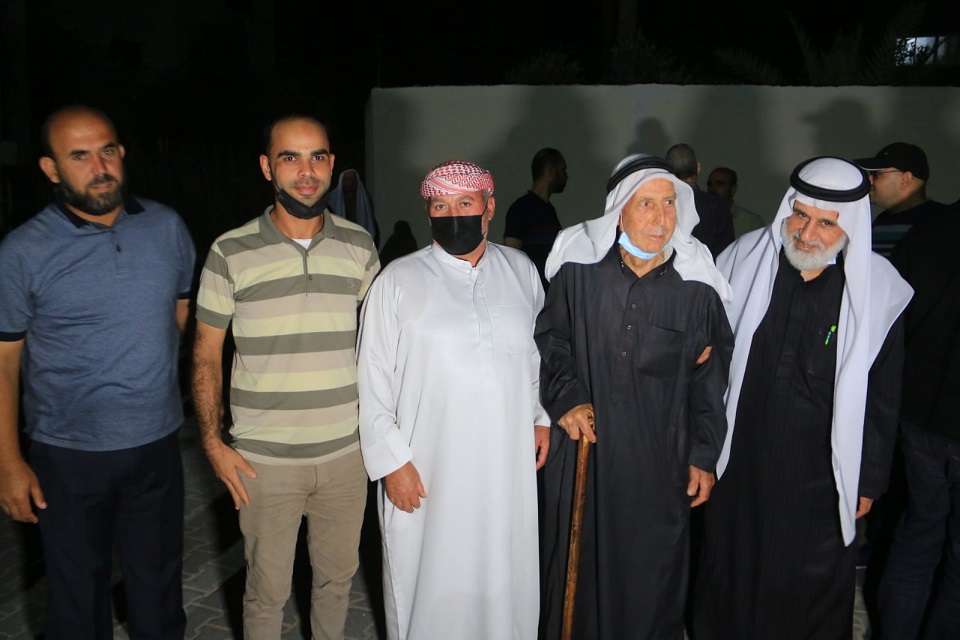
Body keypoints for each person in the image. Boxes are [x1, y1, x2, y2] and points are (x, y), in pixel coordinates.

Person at [692, 156, 913, 640]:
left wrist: (868, 479)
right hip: (739, 465)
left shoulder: (880, 290)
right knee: (730, 576)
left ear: (850, 225)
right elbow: (708, 370)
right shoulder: (742, 261)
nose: (807, 233)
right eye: (800, 215)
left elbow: (883, 396)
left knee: (806, 591)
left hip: (820, 473)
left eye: (826, 223)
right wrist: (701, 451)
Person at [0, 105, 195, 639]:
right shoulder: (22, 252)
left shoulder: (166, 227)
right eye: (79, 156)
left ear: (122, 153)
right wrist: (9, 462)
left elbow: (179, 314)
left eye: (107, 151)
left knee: (159, 593)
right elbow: (5, 362)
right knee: (77, 604)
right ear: (50, 168)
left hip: (156, 446)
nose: (99, 167)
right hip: (68, 456)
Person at [192, 114, 379, 639]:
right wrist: (213, 443)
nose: (306, 171)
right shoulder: (230, 252)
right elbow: (206, 354)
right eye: (290, 157)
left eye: (317, 156)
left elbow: (382, 345)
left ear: (332, 165)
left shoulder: (361, 246)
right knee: (266, 593)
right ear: (266, 167)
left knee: (337, 583)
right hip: (264, 462)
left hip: (346, 455)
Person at [536, 153, 735, 639]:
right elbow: (552, 339)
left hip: (660, 464)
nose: (660, 217)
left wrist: (704, 454)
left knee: (652, 579)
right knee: (576, 576)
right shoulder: (579, 273)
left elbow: (710, 381)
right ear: (619, 210)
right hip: (584, 454)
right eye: (646, 204)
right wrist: (567, 397)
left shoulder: (698, 290)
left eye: (669, 203)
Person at [357, 159, 550, 640]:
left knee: (505, 571)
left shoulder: (521, 271)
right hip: (427, 468)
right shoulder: (398, 280)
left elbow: (539, 356)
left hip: (505, 467)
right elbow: (372, 377)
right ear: (428, 213)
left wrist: (541, 417)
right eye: (440, 206)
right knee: (430, 578)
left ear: (489, 207)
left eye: (464, 202)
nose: (453, 214)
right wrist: (391, 463)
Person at [876, 204, 960, 639]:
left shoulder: (931, 230)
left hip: (920, 410)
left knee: (918, 533)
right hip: (930, 414)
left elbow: (891, 313)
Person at [854, 142, 950, 258]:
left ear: (905, 180)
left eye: (877, 174)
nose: (869, 180)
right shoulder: (881, 221)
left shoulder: (944, 222)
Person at [503, 147, 567, 289]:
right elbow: (511, 256)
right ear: (552, 171)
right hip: (531, 294)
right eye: (563, 169)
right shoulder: (522, 208)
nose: (566, 176)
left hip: (548, 294)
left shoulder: (548, 210)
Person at [664, 143, 735, 258]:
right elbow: (726, 254)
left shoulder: (660, 205)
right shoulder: (718, 206)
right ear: (698, 167)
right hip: (709, 268)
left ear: (667, 172)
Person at [707, 166, 764, 238]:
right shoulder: (700, 218)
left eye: (719, 184)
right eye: (709, 184)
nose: (712, 188)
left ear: (733, 189)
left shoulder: (751, 222)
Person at [328, 167, 379, 246]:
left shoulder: (364, 198)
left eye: (354, 179)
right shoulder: (331, 199)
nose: (351, 182)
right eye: (348, 179)